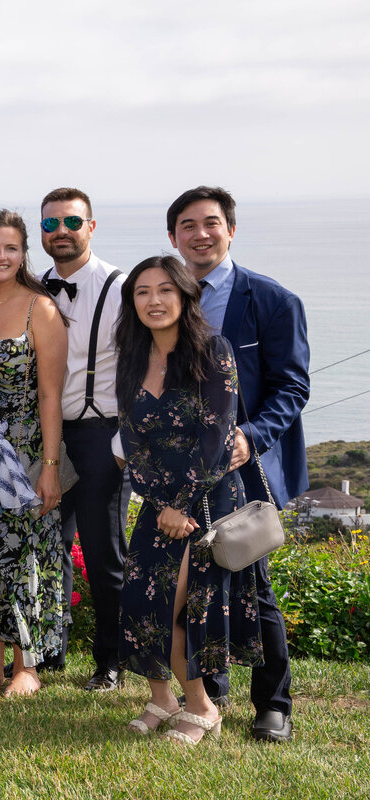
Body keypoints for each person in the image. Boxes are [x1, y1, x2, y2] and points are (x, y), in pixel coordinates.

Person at [168, 186, 309, 743]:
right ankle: (210, 689)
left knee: (251, 579)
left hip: (243, 467)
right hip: (180, 467)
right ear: (173, 236)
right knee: (191, 576)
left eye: (210, 223)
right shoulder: (164, 293)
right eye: (187, 225)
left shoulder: (273, 300)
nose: (200, 234)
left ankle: (273, 704)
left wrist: (250, 437)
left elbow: (291, 387)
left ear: (230, 229)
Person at [115, 255, 262, 745]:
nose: (153, 301)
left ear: (184, 296)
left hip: (205, 501)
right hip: (159, 505)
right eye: (142, 292)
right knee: (141, 602)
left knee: (181, 607)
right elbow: (131, 440)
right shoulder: (131, 358)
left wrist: (181, 505)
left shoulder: (211, 350)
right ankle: (162, 698)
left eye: (164, 290)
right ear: (131, 302)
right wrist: (160, 504)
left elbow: (218, 436)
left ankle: (203, 708)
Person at [0, 209, 67, 696]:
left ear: (24, 254)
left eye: (11, 248)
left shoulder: (38, 308)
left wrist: (49, 467)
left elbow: (50, 395)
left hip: (23, 455)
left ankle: (28, 668)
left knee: (24, 556)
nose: (1, 256)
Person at [37, 188, 130, 690]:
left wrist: (122, 444)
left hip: (101, 436)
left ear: (91, 226)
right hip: (45, 435)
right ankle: (50, 651)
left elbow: (142, 368)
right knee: (50, 546)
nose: (61, 232)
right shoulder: (32, 287)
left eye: (72, 221)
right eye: (50, 225)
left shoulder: (121, 286)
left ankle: (110, 661)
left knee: (102, 553)